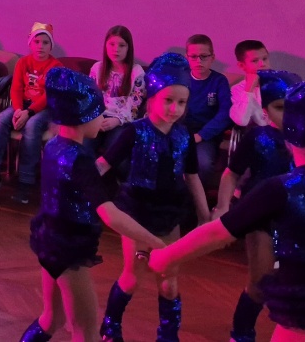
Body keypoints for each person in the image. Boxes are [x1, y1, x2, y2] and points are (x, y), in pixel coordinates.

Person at [148, 78, 305, 342]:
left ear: (290, 137)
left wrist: (166, 257)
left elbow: (217, 234)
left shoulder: (281, 188)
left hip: (303, 312)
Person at [21, 67, 165, 342]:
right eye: (100, 112)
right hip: (67, 250)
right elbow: (110, 215)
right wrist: (154, 241)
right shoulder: (80, 159)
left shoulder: (53, 145)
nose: (103, 117)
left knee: (51, 319)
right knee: (85, 332)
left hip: (48, 242)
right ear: (82, 116)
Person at [95, 53, 210, 342]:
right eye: (168, 100)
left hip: (170, 213)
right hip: (136, 212)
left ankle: (168, 334)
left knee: (169, 281)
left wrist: (206, 216)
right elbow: (104, 164)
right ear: (152, 98)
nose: (174, 109)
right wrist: (76, 179)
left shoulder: (184, 136)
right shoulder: (134, 132)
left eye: (181, 103)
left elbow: (192, 176)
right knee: (133, 277)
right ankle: (111, 326)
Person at [212, 70, 299, 342]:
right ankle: (242, 333)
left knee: (293, 280)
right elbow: (231, 173)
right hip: (261, 214)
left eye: (293, 108)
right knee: (260, 282)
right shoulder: (258, 136)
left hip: (296, 216)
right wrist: (222, 207)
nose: (288, 115)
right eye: (280, 108)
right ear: (265, 110)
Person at [0, 22, 63, 204]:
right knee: (0, 121)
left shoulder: (56, 66)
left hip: (44, 109)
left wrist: (28, 113)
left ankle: (26, 180)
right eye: (37, 42)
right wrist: (18, 110)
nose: (40, 46)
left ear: (51, 46)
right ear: (30, 43)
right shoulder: (23, 62)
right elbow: (16, 88)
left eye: (45, 43)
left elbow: (48, 96)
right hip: (22, 105)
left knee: (32, 126)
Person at [183, 33, 233, 190]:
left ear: (212, 58)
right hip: (181, 130)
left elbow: (225, 113)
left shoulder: (219, 81)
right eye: (194, 57)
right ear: (187, 57)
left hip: (206, 134)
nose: (199, 61)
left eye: (204, 56)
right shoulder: (181, 78)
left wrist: (201, 135)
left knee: (203, 164)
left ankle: (194, 198)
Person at [88, 25, 146, 153]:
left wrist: (117, 120)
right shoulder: (97, 68)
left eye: (122, 45)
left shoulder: (137, 72)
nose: (116, 50)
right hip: (98, 118)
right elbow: (90, 98)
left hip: (121, 121)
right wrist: (96, 118)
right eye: (112, 44)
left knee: (114, 149)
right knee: (83, 147)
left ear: (128, 48)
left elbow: (134, 106)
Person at [230, 40, 271, 128]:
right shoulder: (237, 89)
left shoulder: (280, 84)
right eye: (255, 61)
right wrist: (249, 90)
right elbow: (241, 121)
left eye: (265, 59)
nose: (262, 64)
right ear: (241, 65)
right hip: (253, 133)